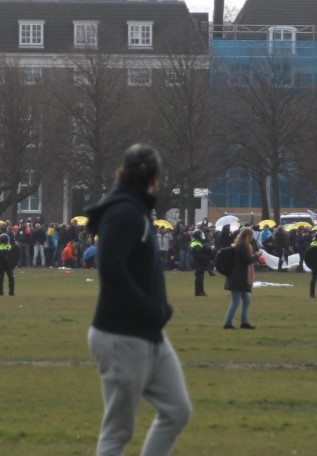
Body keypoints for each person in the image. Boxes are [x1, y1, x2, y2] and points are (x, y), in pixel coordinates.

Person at [85, 143, 191, 455]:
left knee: (176, 410)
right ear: (156, 177)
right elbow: (110, 268)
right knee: (117, 432)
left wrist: (155, 312)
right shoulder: (125, 212)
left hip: (148, 332)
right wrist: (147, 308)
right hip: (122, 335)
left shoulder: (132, 209)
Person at [224, 227, 258, 329]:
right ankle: (228, 323)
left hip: (238, 277)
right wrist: (256, 256)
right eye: (251, 236)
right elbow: (247, 260)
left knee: (246, 299)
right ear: (247, 236)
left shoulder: (241, 245)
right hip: (237, 278)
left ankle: (244, 322)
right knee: (236, 301)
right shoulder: (242, 246)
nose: (252, 238)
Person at [190, 229, 212, 297]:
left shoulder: (198, 242)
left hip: (199, 262)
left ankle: (201, 291)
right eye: (201, 235)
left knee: (201, 277)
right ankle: (198, 291)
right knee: (199, 277)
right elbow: (198, 255)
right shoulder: (197, 244)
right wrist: (206, 256)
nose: (202, 236)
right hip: (198, 262)